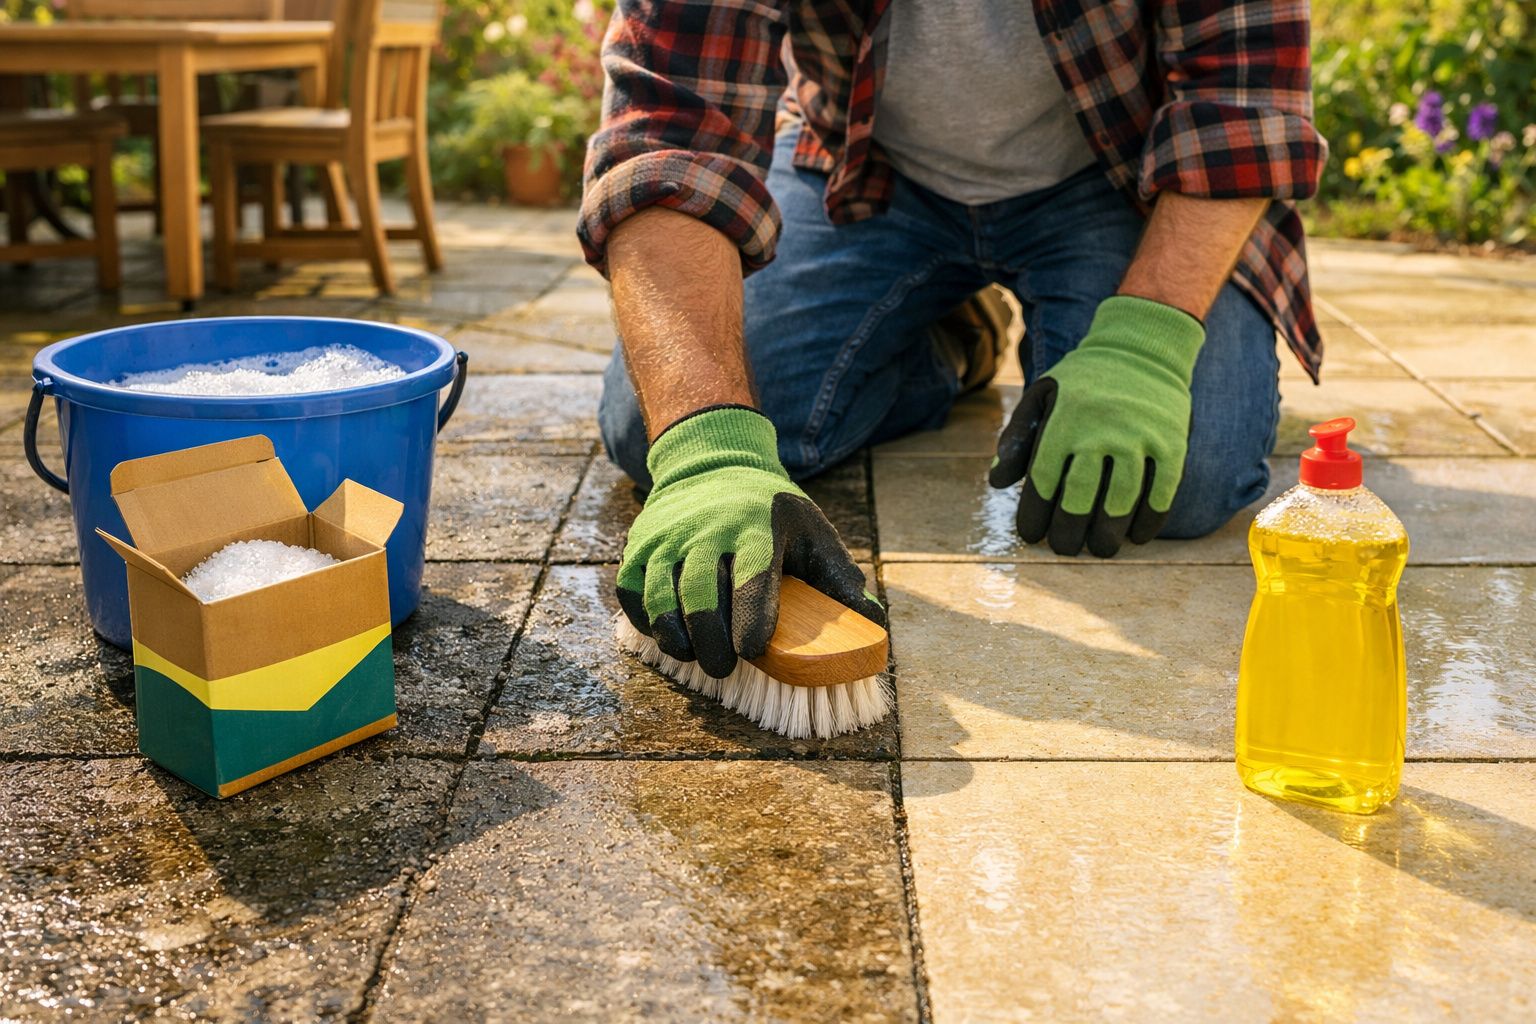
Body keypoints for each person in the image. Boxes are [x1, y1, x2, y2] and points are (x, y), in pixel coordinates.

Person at [579, 0, 1327, 680]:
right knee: (655, 430)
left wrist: (1145, 345)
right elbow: (668, 129)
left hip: (1119, 174)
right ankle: (950, 340)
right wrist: (709, 451)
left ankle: (1047, 321)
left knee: (1180, 480)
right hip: (866, 168)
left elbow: (1242, 99)